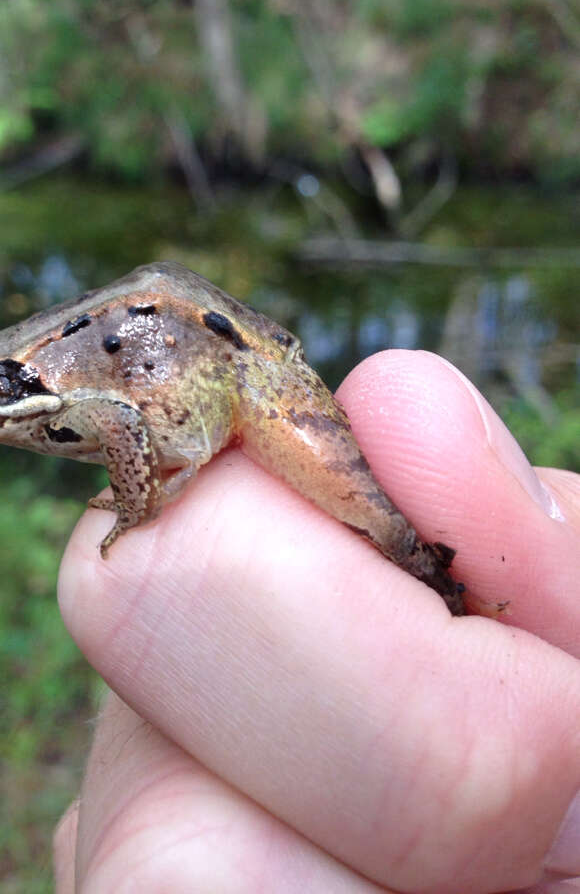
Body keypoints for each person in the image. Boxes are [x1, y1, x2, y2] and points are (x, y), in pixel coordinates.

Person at [52, 350, 580, 893]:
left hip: (243, 372)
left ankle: (441, 584)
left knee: (378, 520)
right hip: (224, 390)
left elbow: (117, 420)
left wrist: (137, 505)